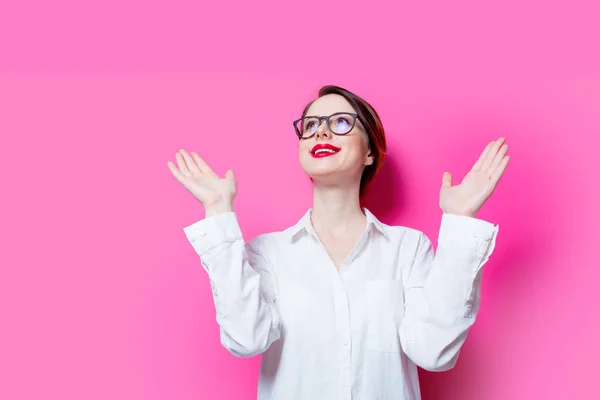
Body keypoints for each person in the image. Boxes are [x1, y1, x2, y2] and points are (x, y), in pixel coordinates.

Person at [166, 85, 510, 400]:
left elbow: (434, 352)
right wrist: (218, 213)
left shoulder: (408, 249)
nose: (322, 131)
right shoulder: (267, 252)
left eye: (341, 122)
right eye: (311, 125)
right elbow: (246, 339)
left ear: (370, 153)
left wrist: (461, 220)